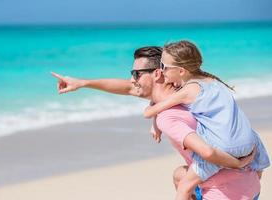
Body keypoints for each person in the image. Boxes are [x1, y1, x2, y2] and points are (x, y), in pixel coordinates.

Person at [51, 46, 262, 199]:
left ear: (159, 73)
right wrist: (83, 83)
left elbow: (207, 153)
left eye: (136, 74)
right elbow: (127, 88)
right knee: (179, 175)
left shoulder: (169, 116)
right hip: (249, 186)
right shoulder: (186, 90)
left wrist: (237, 163)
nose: (132, 80)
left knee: (184, 185)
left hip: (226, 193)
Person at [142, 41, 270, 199]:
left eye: (164, 66)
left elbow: (151, 110)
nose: (161, 71)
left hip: (224, 148)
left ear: (181, 71)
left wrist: (154, 119)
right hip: (250, 143)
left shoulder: (189, 90)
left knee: (184, 187)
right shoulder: (214, 82)